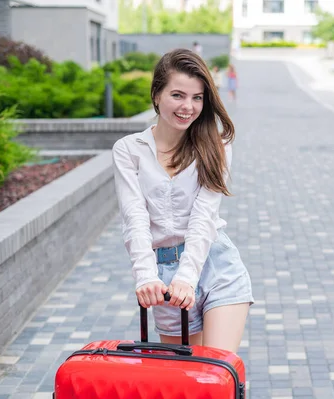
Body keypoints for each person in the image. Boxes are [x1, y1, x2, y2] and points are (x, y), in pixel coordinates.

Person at [111, 49, 254, 353]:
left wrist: (187, 278)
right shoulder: (129, 150)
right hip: (164, 280)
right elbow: (134, 218)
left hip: (216, 264)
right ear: (156, 94)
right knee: (185, 380)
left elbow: (204, 216)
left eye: (198, 98)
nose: (188, 107)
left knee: (216, 374)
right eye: (177, 95)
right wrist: (146, 277)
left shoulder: (217, 146)